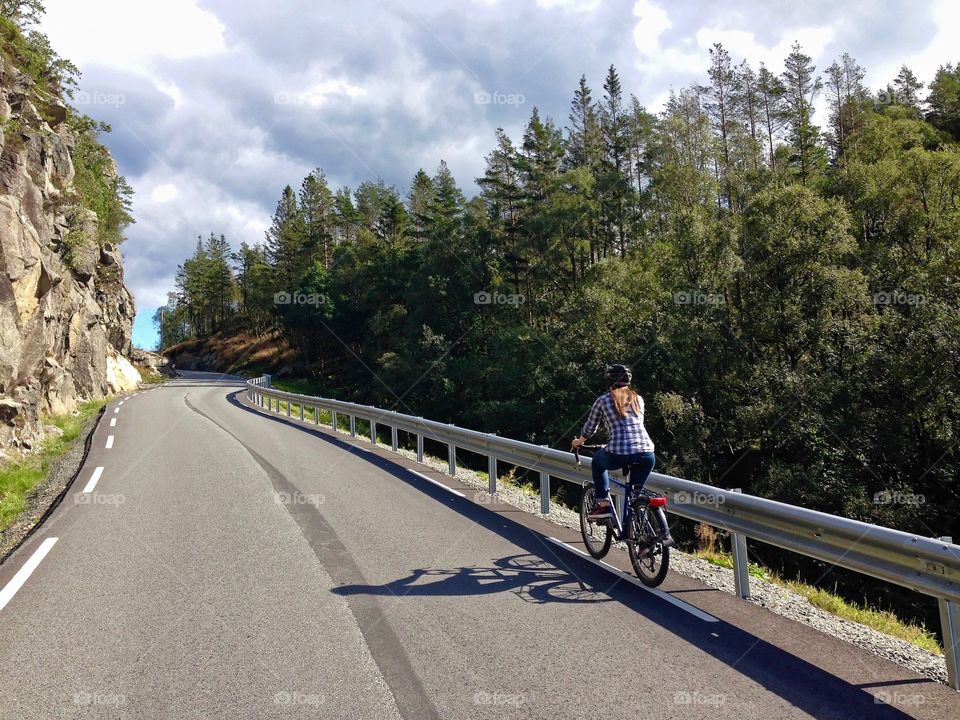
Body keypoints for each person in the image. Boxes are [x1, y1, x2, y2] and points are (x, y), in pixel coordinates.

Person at [571, 364, 659, 525]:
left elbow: (590, 429)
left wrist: (578, 442)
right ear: (628, 382)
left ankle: (603, 506)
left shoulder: (603, 400)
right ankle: (642, 539)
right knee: (635, 495)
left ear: (609, 381)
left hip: (618, 453)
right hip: (647, 453)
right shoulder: (638, 399)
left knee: (597, 462)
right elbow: (634, 426)